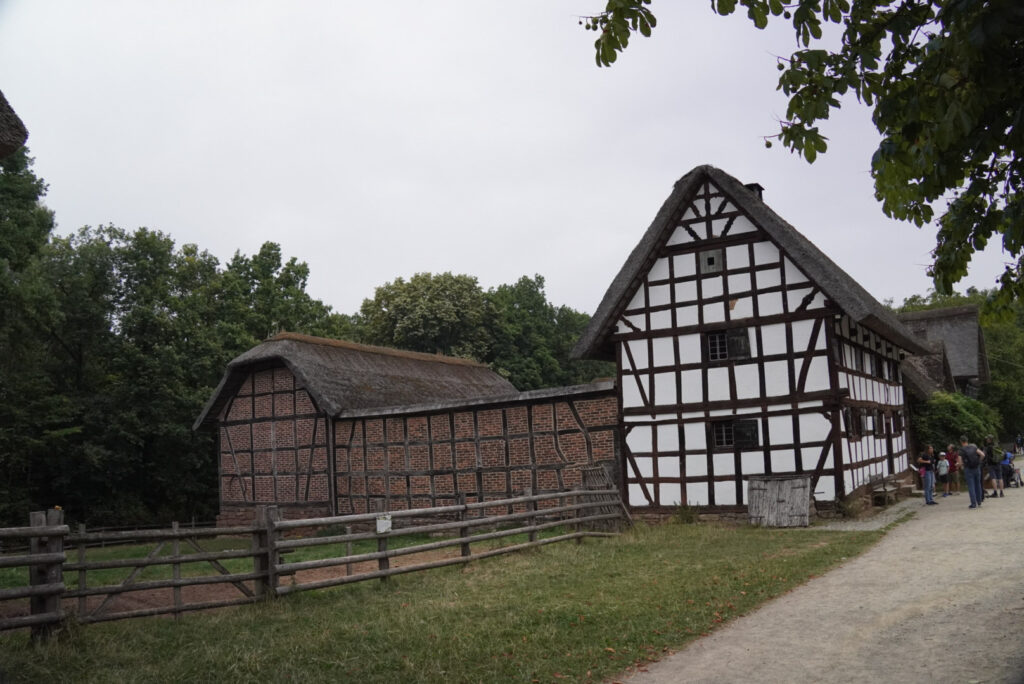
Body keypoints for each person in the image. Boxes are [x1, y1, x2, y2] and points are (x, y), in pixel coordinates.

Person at [959, 435, 983, 509]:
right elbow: (982, 454)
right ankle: (979, 502)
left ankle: (973, 504)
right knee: (978, 485)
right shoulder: (973, 447)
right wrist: (979, 462)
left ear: (961, 442)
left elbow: (960, 462)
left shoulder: (961, 450)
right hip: (977, 468)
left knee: (971, 486)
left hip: (968, 469)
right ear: (967, 441)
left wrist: (962, 466)